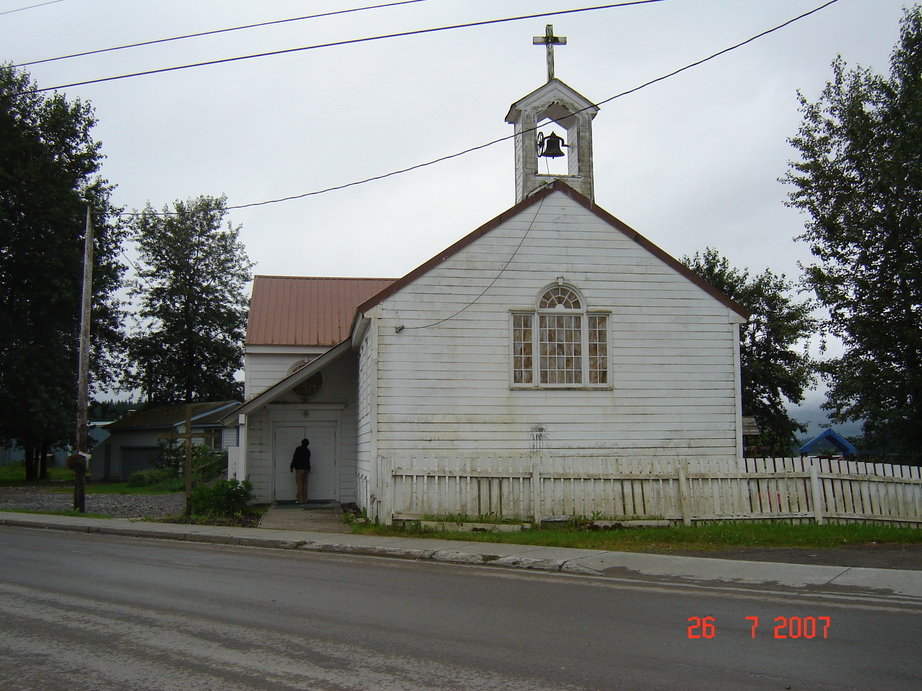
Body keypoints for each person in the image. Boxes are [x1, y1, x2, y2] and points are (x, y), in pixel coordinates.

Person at [289, 438, 311, 503]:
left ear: (301, 443)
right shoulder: (308, 451)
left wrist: (291, 466)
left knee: (299, 484)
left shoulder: (298, 449)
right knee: (305, 485)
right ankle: (305, 499)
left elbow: (295, 458)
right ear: (307, 444)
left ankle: (300, 500)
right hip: (307, 469)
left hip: (299, 469)